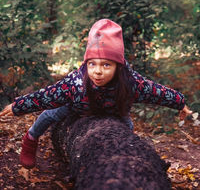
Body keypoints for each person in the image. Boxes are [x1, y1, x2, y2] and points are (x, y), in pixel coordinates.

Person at [0, 19, 192, 170]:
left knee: (127, 128)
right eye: (92, 64)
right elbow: (47, 95)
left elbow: (157, 92)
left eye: (106, 65)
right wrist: (18, 106)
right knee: (50, 113)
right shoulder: (75, 84)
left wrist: (180, 103)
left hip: (115, 111)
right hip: (78, 107)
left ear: (118, 66)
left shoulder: (131, 82)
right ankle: (31, 138)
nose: (98, 71)